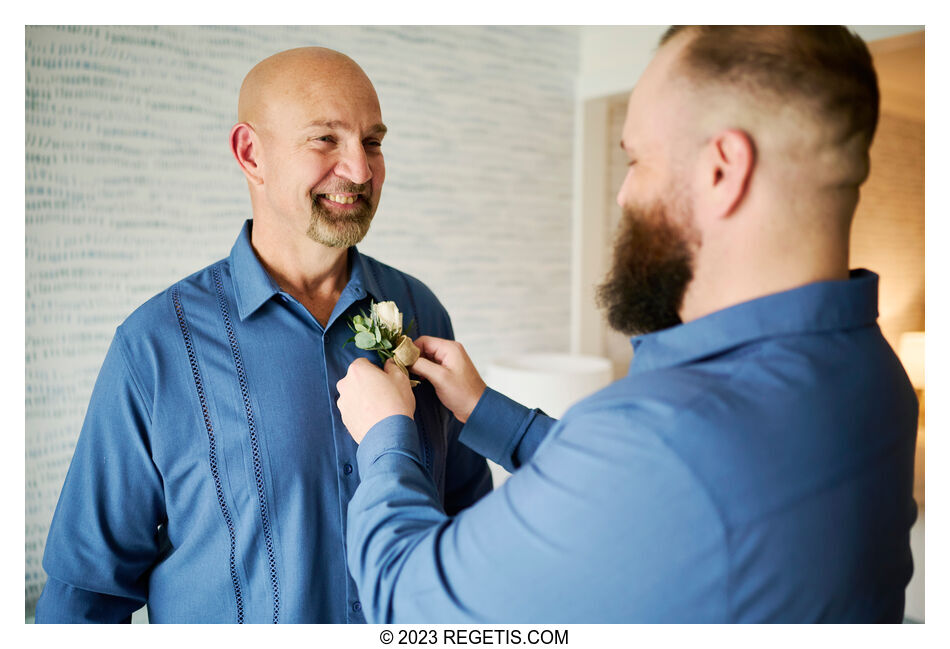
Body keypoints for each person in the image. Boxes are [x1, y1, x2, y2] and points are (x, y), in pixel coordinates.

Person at [336, 26, 919, 622]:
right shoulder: (878, 379)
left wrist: (385, 435)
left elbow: (414, 608)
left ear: (722, 171)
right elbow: (639, 500)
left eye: (637, 160)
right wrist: (485, 409)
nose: (622, 194)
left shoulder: (667, 435)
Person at [35, 47, 491, 623]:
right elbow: (86, 594)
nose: (361, 169)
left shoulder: (423, 313)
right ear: (251, 153)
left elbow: (469, 528)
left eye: (372, 142)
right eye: (326, 140)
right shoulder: (152, 346)